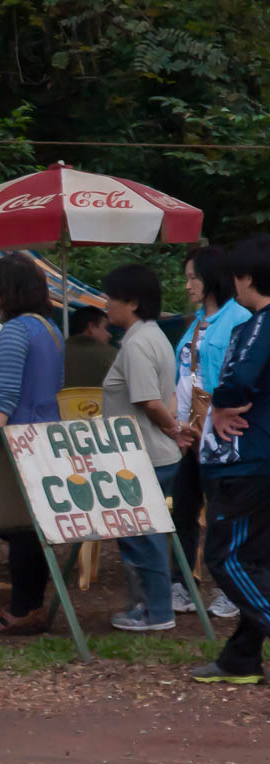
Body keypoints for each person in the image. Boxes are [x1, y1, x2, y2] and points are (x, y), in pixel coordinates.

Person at [0, 254, 64, 636]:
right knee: (32, 526)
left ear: (8, 291)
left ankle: (23, 608)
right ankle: (31, 605)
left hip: (16, 439)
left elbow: (6, 394)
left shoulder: (14, 332)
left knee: (18, 526)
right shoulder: (50, 328)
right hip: (43, 434)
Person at [191, 236, 270, 684]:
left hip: (249, 459)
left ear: (248, 278)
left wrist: (221, 403)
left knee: (228, 557)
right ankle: (241, 657)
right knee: (258, 558)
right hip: (261, 458)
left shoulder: (261, 322)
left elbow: (240, 376)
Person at [99, 264, 192, 631]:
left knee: (142, 536)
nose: (106, 305)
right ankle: (151, 607)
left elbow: (150, 402)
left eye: (111, 298)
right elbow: (166, 395)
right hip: (153, 453)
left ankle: (155, 611)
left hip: (142, 454)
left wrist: (173, 430)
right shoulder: (155, 337)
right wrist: (174, 430)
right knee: (147, 532)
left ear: (132, 302)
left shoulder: (137, 344)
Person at [170, 247, 248, 620]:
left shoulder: (239, 319)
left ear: (212, 277)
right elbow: (182, 374)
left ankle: (230, 589)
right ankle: (182, 584)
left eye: (193, 277)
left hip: (224, 435)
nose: (187, 286)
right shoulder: (196, 321)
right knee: (184, 508)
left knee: (222, 513)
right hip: (189, 434)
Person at [63, 305, 117, 388]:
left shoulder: (56, 352)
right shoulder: (113, 356)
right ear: (92, 327)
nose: (109, 335)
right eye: (105, 328)